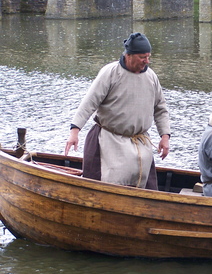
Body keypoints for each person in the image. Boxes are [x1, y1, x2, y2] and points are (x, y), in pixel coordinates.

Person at [64, 32, 171, 190]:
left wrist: (165, 136)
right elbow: (89, 103)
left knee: (143, 187)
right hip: (109, 141)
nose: (147, 61)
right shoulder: (110, 73)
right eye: (143, 57)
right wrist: (74, 131)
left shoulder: (151, 77)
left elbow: (160, 109)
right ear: (129, 55)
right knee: (104, 187)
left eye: (148, 57)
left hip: (139, 143)